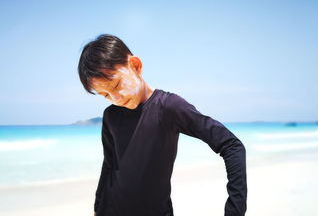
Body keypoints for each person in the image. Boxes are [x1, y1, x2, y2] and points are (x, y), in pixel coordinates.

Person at [77, 34, 247, 216]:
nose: (116, 99)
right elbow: (109, 165)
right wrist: (96, 207)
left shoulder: (168, 107)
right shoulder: (110, 116)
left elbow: (232, 146)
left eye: (117, 85)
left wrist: (234, 211)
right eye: (106, 95)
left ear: (135, 66)